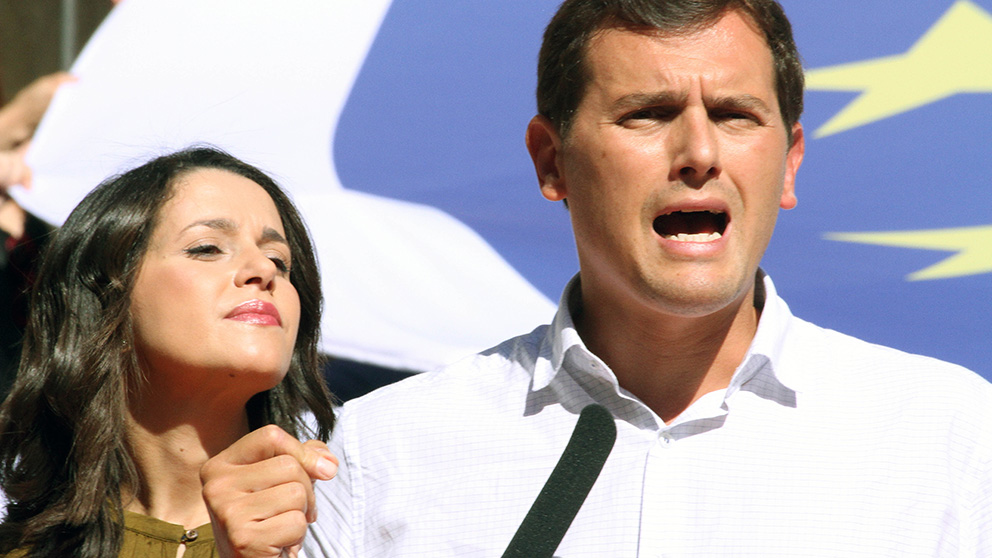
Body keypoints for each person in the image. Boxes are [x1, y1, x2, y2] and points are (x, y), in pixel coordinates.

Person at [204, 1, 992, 556]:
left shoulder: (955, 441)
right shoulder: (380, 458)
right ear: (552, 161)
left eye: (735, 115)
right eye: (647, 113)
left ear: (789, 162)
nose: (699, 152)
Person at [0, 147, 339, 557]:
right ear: (107, 300)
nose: (264, 270)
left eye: (278, 260)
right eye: (207, 248)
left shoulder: (348, 512)